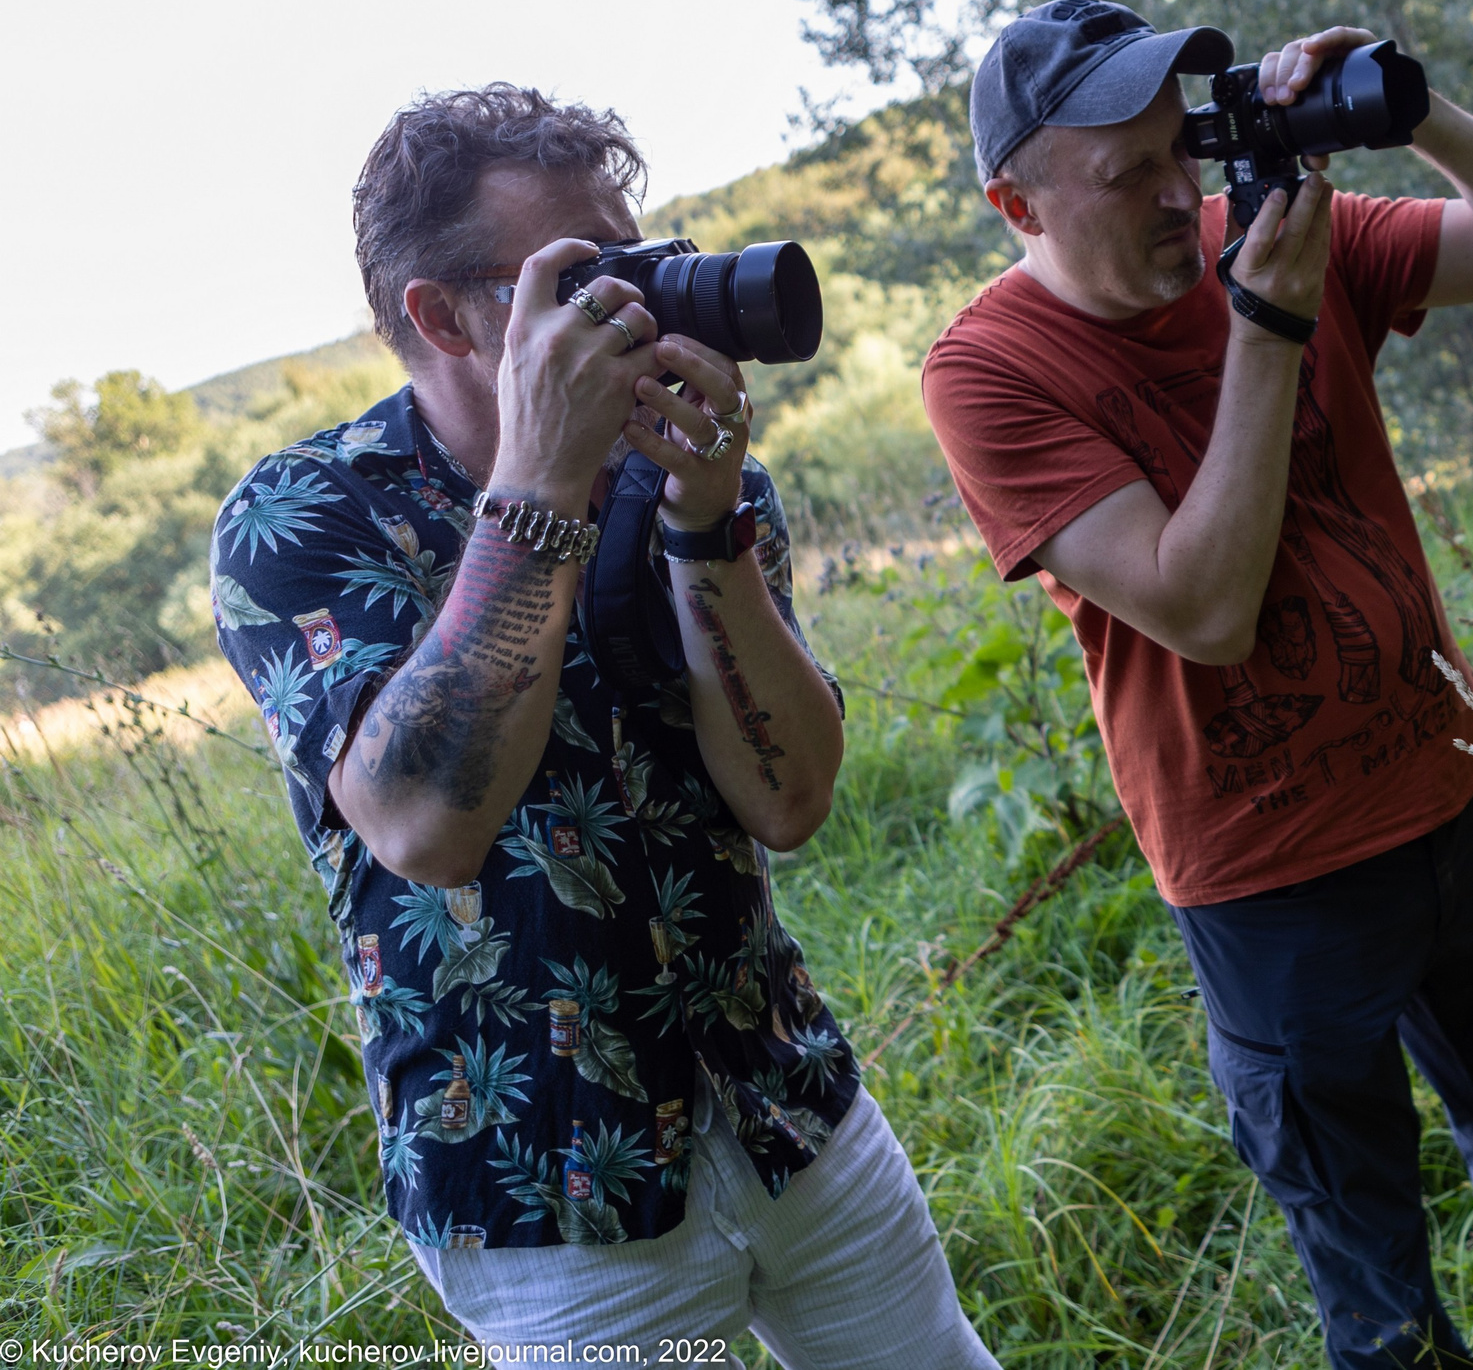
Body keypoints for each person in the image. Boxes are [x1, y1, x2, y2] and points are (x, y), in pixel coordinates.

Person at [210, 85, 997, 1366]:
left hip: (782, 1093)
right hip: (544, 1187)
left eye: (639, 251)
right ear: (443, 315)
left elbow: (790, 802)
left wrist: (708, 516)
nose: (639, 298)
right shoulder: (303, 515)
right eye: (583, 275)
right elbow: (422, 823)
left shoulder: (681, 460)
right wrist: (538, 483)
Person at [921, 0, 1473, 1369]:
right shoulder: (989, 370)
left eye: (1181, 148)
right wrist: (1265, 319)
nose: (1178, 192)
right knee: (1374, 1276)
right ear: (1014, 198)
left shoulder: (1259, 242)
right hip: (1269, 872)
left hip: (1446, 795)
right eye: (1125, 172)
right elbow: (1200, 602)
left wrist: (1407, 107)